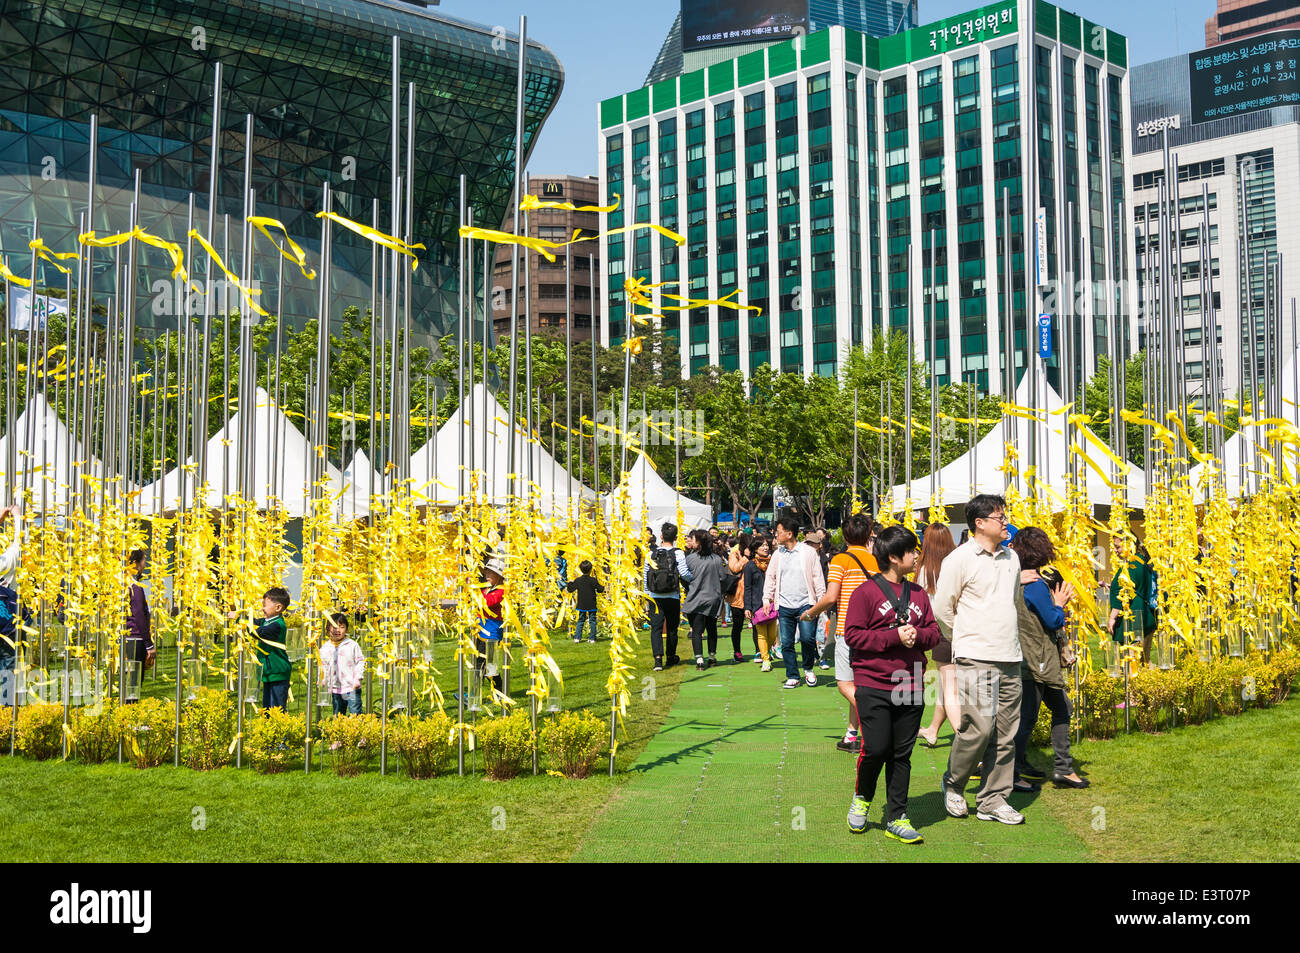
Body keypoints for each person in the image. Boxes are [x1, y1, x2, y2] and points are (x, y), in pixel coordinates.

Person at [842, 525, 941, 843]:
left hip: (909, 681)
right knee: (876, 748)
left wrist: (917, 636)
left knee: (902, 753)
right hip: (873, 682)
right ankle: (863, 797)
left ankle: (898, 815)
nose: (917, 555)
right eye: (912, 551)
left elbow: (933, 632)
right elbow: (853, 635)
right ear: (895, 557)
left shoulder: (919, 594)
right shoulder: (865, 593)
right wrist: (893, 636)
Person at [932, 494, 1026, 826]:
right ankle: (954, 783)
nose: (1005, 522)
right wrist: (966, 636)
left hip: (1010, 656)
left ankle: (993, 799)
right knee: (978, 728)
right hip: (975, 655)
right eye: (1000, 517)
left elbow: (1014, 601)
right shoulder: (959, 560)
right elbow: (943, 608)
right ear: (980, 523)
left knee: (1005, 733)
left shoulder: (1012, 559)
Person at [1008, 528, 1088, 790]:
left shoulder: (1019, 581)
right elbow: (1053, 620)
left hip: (1026, 658)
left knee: (1047, 710)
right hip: (1038, 662)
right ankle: (1016, 772)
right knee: (1034, 715)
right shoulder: (1036, 586)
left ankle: (1057, 767)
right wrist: (1060, 602)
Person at [802, 513, 877, 752]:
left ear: (845, 536)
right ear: (868, 534)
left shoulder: (840, 560)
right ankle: (851, 734)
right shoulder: (876, 561)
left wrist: (810, 613)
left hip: (848, 628)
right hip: (872, 629)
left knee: (845, 684)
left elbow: (831, 596)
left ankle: (873, 726)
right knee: (859, 683)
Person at [762, 515, 827, 689]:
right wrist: (767, 598)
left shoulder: (808, 553)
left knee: (807, 638)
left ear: (789, 534)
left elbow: (817, 578)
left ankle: (808, 669)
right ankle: (792, 675)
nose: (776, 535)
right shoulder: (778, 554)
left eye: (779, 532)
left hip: (806, 603)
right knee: (787, 642)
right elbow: (771, 577)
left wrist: (822, 602)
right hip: (784, 604)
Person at [915, 524, 958, 747]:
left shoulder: (924, 569)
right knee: (947, 686)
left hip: (940, 631)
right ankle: (933, 729)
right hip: (964, 629)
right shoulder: (958, 564)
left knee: (950, 689)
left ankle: (966, 741)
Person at [645, 522, 693, 671]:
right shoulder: (678, 553)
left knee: (656, 628)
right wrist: (693, 579)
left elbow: (646, 573)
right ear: (676, 537)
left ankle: (657, 659)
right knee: (672, 627)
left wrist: (647, 593)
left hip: (655, 595)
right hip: (672, 595)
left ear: (661, 536)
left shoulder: (651, 553)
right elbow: (684, 573)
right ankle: (671, 656)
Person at [682, 530, 727, 670]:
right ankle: (712, 656)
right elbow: (723, 578)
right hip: (713, 598)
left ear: (699, 542)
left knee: (697, 630)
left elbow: (684, 576)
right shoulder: (716, 559)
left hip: (696, 598)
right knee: (712, 628)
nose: (691, 542)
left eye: (693, 539)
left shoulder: (690, 558)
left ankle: (699, 659)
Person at [1108, 539, 1156, 665]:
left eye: (1117, 547)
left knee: (1133, 661)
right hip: (1146, 617)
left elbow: (1124, 592)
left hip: (1134, 620)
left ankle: (1135, 684)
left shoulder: (1131, 564)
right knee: (1144, 660)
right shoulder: (1141, 560)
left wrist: (1112, 617)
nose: (1115, 550)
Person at [252, 587, 292, 711]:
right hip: (269, 672)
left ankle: (279, 728)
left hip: (278, 672)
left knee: (277, 708)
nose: (262, 608)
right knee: (267, 707)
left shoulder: (277, 625)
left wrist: (245, 626)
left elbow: (258, 632)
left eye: (264, 605)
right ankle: (269, 727)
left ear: (278, 608)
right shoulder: (267, 621)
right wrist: (239, 617)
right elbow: (253, 622)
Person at [123, 549, 155, 701]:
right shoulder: (134, 587)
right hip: (136, 639)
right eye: (143, 561)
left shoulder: (127, 584)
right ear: (135, 563)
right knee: (134, 682)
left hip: (130, 638)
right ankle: (130, 717)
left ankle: (128, 715)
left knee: (131, 681)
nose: (145, 564)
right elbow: (139, 617)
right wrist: (149, 645)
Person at [319, 611, 365, 716]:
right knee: (338, 713)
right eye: (334, 627)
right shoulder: (325, 648)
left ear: (347, 629)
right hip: (335, 687)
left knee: (355, 711)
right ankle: (339, 730)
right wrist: (323, 679)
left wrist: (358, 678)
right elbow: (323, 666)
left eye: (341, 627)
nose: (337, 630)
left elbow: (360, 661)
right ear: (327, 629)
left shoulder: (352, 645)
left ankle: (357, 730)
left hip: (352, 686)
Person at [743, 538, 776, 671]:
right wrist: (747, 607)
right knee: (761, 634)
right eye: (762, 546)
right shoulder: (750, 565)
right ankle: (766, 660)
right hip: (757, 604)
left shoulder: (773, 562)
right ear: (755, 548)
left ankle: (766, 652)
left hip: (773, 603)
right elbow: (747, 587)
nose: (765, 547)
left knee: (773, 634)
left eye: (767, 545)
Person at [477, 557, 506, 693]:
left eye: (490, 574)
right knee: (488, 666)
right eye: (487, 573)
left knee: (483, 663)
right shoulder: (488, 589)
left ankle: (474, 693)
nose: (487, 576)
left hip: (491, 631)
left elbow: (488, 603)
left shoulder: (501, 591)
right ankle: (500, 692)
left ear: (499, 576)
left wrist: (475, 596)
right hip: (482, 630)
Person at [567, 559, 605, 644]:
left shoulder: (578, 580)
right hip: (591, 603)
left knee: (581, 620)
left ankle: (577, 638)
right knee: (592, 621)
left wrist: (569, 582)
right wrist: (602, 586)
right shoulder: (593, 580)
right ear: (591, 569)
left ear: (580, 569)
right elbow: (600, 590)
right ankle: (592, 638)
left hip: (582, 604)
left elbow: (570, 589)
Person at [725, 538, 750, 662]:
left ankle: (760, 651)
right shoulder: (735, 553)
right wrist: (745, 557)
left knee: (759, 624)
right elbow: (734, 568)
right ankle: (737, 651)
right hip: (737, 595)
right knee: (738, 625)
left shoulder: (758, 553)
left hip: (753, 594)